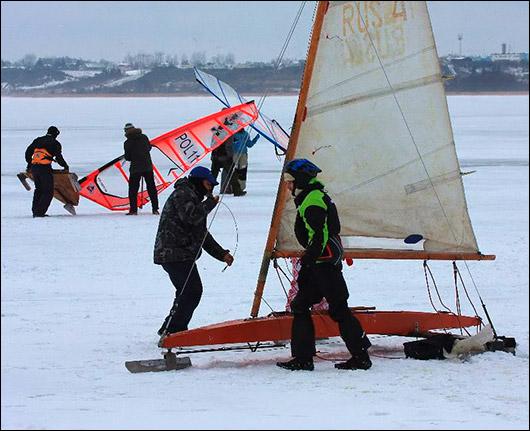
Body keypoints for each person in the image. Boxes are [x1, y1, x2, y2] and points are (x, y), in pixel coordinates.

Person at [276, 158, 372, 371]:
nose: (288, 185)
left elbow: (321, 235)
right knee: (301, 305)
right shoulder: (311, 197)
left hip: (323, 263)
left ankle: (361, 356)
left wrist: (307, 263)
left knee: (338, 308)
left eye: (290, 181)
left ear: (300, 180)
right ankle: (303, 358)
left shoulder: (312, 200)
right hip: (320, 263)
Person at [154, 166, 234, 336]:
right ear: (198, 181)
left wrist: (221, 254)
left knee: (187, 291)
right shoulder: (183, 194)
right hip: (173, 253)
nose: (210, 188)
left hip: (180, 254)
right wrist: (209, 204)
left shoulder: (193, 197)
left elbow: (201, 233)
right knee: (191, 291)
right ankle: (174, 331)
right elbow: (191, 217)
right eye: (208, 184)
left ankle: (171, 329)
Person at [24, 126, 69, 217]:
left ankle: (35, 211)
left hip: (35, 168)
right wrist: (65, 166)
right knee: (48, 191)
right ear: (56, 134)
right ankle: (40, 213)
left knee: (39, 190)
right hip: (44, 168)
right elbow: (58, 157)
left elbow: (28, 153)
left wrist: (29, 164)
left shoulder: (38, 140)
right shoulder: (55, 143)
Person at [123, 122, 159, 215]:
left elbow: (128, 157)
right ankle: (155, 209)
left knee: (133, 190)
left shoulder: (127, 142)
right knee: (151, 188)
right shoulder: (144, 137)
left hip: (135, 168)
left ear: (126, 131)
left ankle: (133, 210)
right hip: (147, 166)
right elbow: (149, 148)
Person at [231, 128, 260, 196]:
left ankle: (241, 188)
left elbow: (249, 145)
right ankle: (233, 188)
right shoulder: (233, 134)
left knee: (243, 170)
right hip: (235, 154)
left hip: (243, 154)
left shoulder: (246, 134)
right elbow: (230, 144)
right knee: (234, 170)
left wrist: (255, 139)